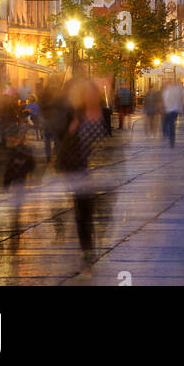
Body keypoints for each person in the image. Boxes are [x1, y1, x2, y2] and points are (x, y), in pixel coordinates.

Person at [55, 79, 108, 267]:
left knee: (97, 212)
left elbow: (108, 142)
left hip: (101, 170)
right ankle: (87, 248)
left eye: (93, 93)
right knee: (83, 210)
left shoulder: (104, 113)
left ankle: (90, 242)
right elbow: (67, 142)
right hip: (81, 169)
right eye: (87, 93)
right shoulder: (77, 114)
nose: (91, 96)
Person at [162, 79, 184, 145]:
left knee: (167, 123)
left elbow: (165, 100)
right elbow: (180, 100)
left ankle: (170, 136)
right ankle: (172, 137)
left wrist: (164, 108)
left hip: (169, 110)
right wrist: (180, 109)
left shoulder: (166, 91)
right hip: (175, 110)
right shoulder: (176, 91)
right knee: (172, 124)